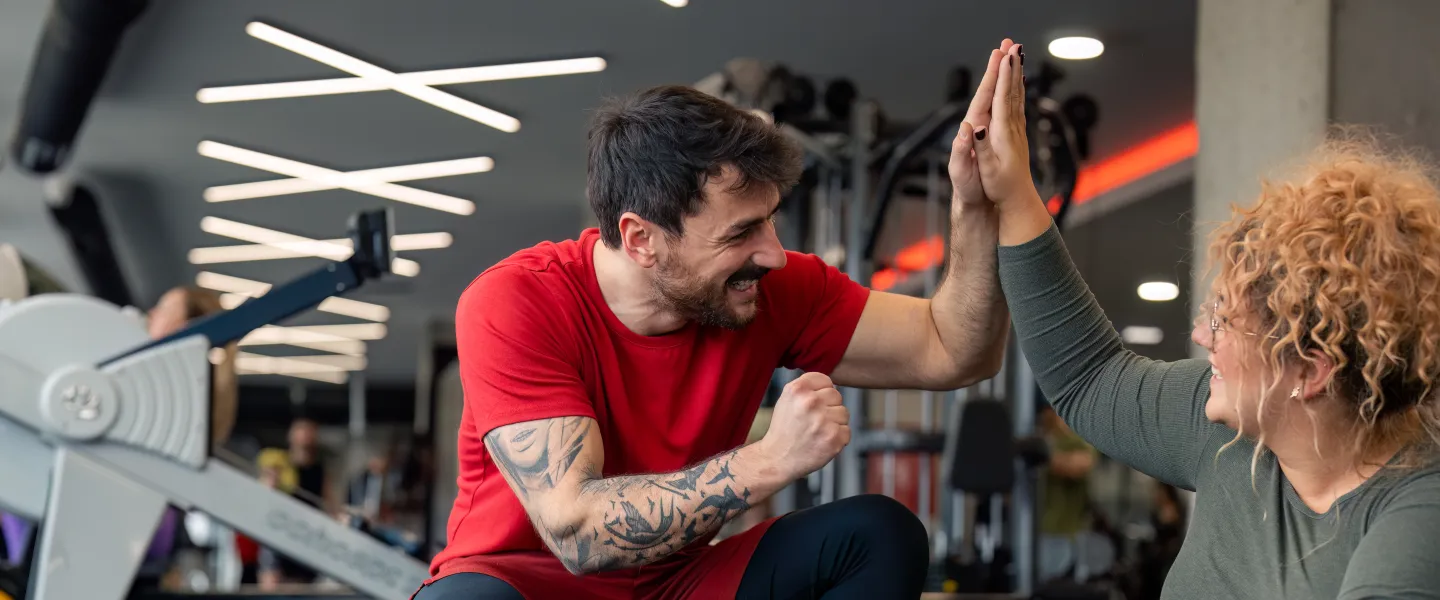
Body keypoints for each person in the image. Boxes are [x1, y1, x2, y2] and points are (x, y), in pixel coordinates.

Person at [420, 43, 1021, 600]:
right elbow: (576, 533)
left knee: (878, 533)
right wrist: (770, 459)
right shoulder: (517, 300)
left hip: (677, 581)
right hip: (527, 586)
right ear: (641, 240)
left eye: (769, 220)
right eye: (741, 233)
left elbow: (955, 350)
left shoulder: (772, 288)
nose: (774, 254)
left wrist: (974, 207)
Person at [974, 38, 1440, 598]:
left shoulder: (1417, 511)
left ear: (1311, 372)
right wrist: (1015, 191)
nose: (1200, 335)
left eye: (1223, 322)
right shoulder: (1231, 435)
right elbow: (1089, 377)